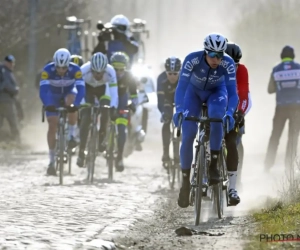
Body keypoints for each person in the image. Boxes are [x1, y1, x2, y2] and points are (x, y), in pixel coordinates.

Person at [173, 33, 239, 208]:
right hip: (193, 94)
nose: (216, 59)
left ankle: (214, 166)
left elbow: (233, 94)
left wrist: (230, 113)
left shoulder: (228, 63)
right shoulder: (192, 60)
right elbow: (181, 88)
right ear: (205, 52)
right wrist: (179, 109)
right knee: (188, 133)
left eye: (220, 55)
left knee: (217, 117)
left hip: (217, 92)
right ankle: (186, 183)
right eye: (212, 55)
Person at [39, 48, 85, 176]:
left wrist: (75, 105)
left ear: (68, 65)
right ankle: (52, 161)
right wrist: (48, 105)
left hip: (69, 93)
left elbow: (81, 89)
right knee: (52, 124)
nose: (61, 71)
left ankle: (71, 135)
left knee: (71, 102)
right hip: (53, 95)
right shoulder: (47, 70)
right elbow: (43, 91)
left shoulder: (76, 70)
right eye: (58, 68)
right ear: (54, 64)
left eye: (64, 68)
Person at [76, 52, 119, 168]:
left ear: (105, 70)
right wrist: (80, 104)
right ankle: (81, 152)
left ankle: (101, 139)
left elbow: (114, 92)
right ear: (91, 69)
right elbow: (77, 90)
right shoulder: (83, 70)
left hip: (103, 90)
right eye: (95, 72)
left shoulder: (110, 71)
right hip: (87, 89)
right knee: (86, 117)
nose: (98, 75)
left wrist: (114, 107)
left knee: (106, 112)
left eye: (100, 73)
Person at [223, 42, 252, 204]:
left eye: (234, 64)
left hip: (236, 109)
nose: (231, 67)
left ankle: (236, 177)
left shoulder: (242, 71)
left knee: (234, 142)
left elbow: (245, 95)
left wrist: (240, 113)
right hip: (217, 108)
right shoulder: (215, 67)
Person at [265, 45, 300, 171]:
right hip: (297, 107)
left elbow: (270, 90)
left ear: (282, 56)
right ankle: (289, 167)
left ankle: (267, 165)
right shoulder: (299, 68)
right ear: (293, 56)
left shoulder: (276, 69)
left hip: (281, 108)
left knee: (275, 136)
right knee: (293, 137)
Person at [110, 51, 138, 171]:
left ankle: (119, 156)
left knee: (122, 129)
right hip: (109, 98)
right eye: (116, 69)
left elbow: (134, 95)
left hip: (122, 100)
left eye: (121, 70)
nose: (118, 73)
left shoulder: (129, 77)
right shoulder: (108, 75)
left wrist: (132, 104)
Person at [157, 56, 182, 164]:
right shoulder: (161, 79)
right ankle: (165, 152)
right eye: (169, 73)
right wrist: (163, 113)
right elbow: (160, 102)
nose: (172, 76)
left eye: (175, 73)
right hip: (166, 100)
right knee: (167, 119)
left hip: (180, 100)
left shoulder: (184, 78)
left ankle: (179, 150)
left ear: (179, 72)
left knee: (182, 121)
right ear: (166, 72)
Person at [0, 55, 21, 141]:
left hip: (5, 99)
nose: (12, 65)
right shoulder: (4, 71)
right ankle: (17, 141)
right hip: (6, 100)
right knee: (13, 121)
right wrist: (15, 90)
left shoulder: (6, 71)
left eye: (12, 63)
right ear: (6, 62)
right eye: (10, 63)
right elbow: (6, 85)